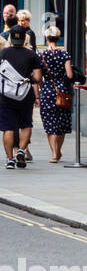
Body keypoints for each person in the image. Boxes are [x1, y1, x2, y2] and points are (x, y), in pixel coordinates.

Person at [0, 26, 42, 169]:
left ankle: (10, 159)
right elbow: (37, 77)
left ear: (11, 38)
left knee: (8, 128)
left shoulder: (3, 53)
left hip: (6, 96)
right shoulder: (32, 55)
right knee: (26, 124)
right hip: (25, 95)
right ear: (25, 38)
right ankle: (22, 150)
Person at [38, 26, 75, 163]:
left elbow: (38, 76)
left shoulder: (41, 55)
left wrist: (42, 88)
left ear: (47, 38)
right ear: (58, 39)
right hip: (62, 91)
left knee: (50, 123)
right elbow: (70, 75)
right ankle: (58, 150)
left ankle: (54, 153)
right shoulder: (64, 54)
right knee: (61, 123)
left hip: (47, 90)